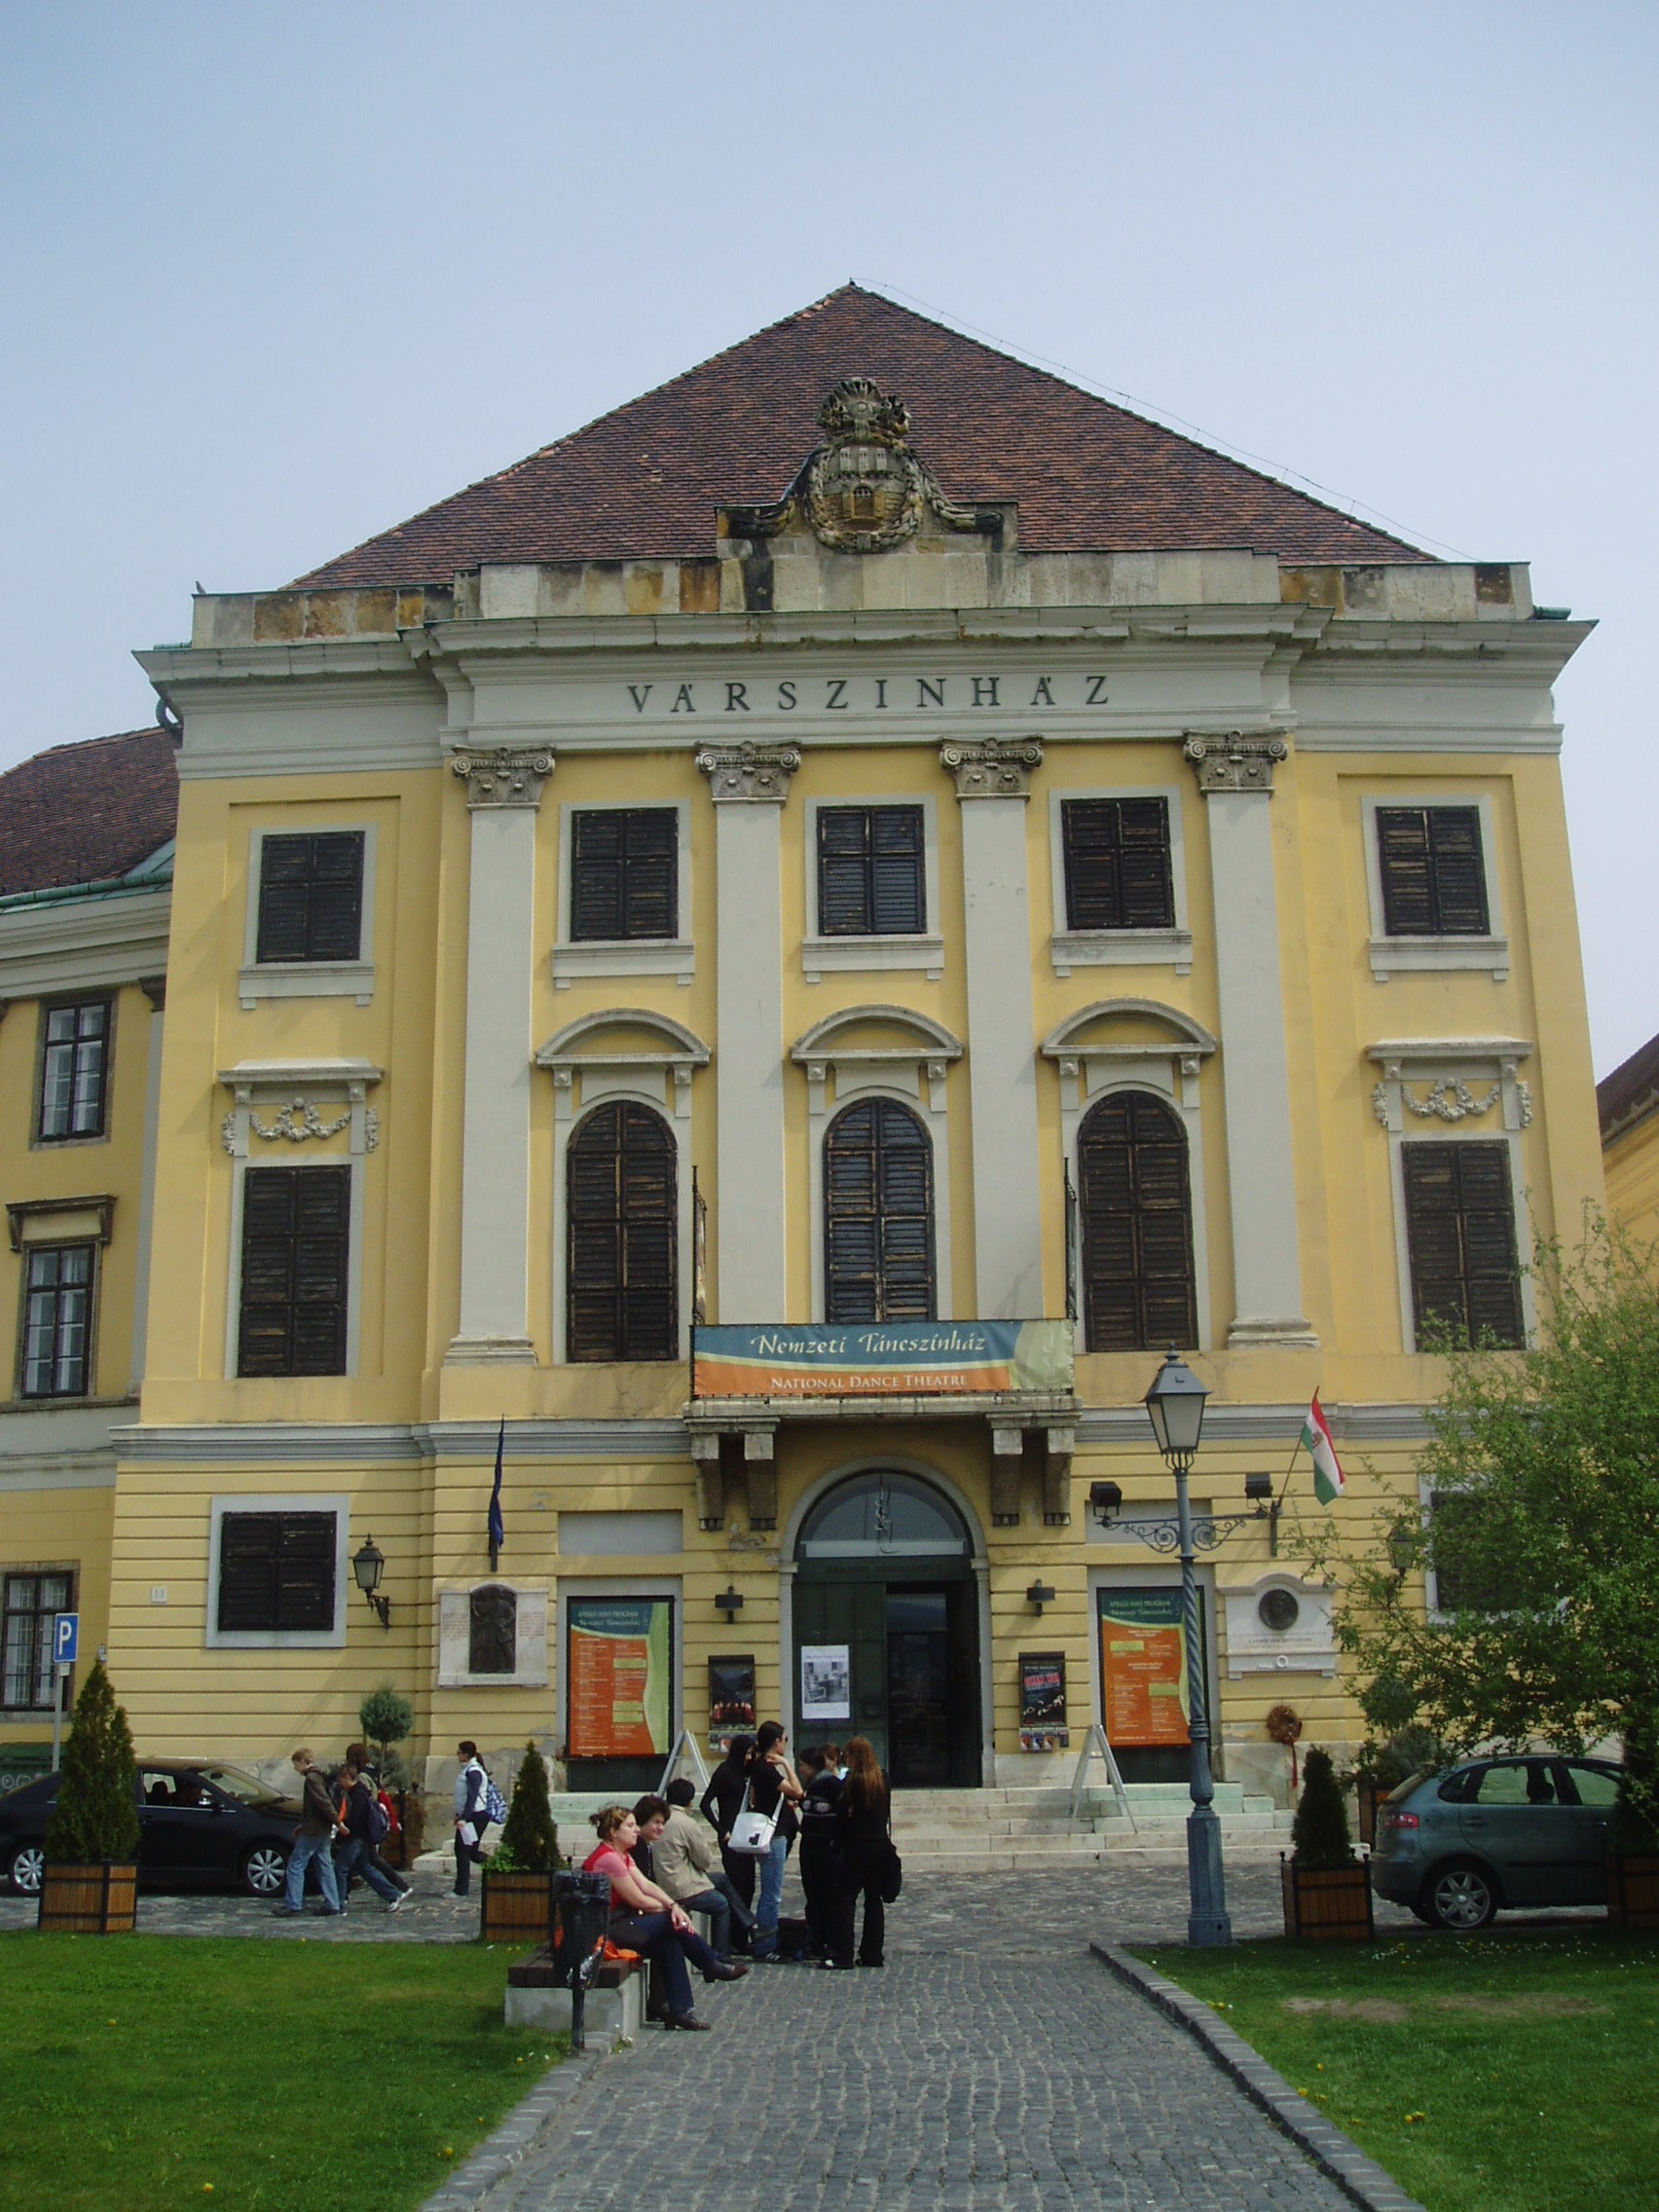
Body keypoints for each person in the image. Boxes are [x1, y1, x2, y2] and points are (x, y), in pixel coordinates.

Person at [583, 1805, 748, 2031]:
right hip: (604, 1929)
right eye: (630, 1826)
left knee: (669, 1942)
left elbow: (647, 1886)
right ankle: (711, 1965)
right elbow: (638, 1900)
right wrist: (672, 1912)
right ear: (613, 1832)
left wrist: (673, 1905)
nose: (636, 1830)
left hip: (619, 1922)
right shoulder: (608, 1859)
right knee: (671, 1924)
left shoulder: (622, 1856)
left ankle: (680, 2011)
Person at [653, 1778, 753, 1959]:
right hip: (681, 1886)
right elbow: (704, 1860)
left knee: (722, 1879)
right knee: (721, 1905)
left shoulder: (659, 1819)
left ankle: (749, 1923)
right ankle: (720, 1954)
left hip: (668, 1878)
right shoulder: (686, 1823)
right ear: (690, 1802)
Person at [744, 1720, 804, 1962]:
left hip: (771, 1832)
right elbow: (798, 1791)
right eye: (784, 1739)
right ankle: (765, 1946)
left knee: (770, 1891)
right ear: (776, 1741)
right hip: (773, 1835)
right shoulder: (766, 1768)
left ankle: (765, 1942)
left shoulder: (760, 1766)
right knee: (772, 1893)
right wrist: (787, 1764)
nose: (786, 1743)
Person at [830, 1735, 892, 1969]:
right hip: (880, 1845)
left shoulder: (854, 1782)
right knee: (873, 1900)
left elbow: (842, 1817)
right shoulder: (883, 1778)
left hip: (857, 1847)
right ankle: (872, 1953)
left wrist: (837, 1843)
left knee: (845, 1899)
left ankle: (843, 1954)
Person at [333, 1755, 408, 1913]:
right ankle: (393, 1894)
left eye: (341, 1780)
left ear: (347, 1778)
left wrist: (343, 1834)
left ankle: (339, 1904)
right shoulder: (359, 1792)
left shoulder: (358, 1795)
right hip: (362, 1837)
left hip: (356, 1837)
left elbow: (356, 1819)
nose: (340, 1783)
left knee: (341, 1868)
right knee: (365, 1868)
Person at [276, 1748, 342, 1918]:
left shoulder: (311, 1779)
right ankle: (333, 1903)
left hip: (313, 1830)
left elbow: (323, 1802)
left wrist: (338, 1822)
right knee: (325, 1865)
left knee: (296, 1865)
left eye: (296, 1764)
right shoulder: (320, 1776)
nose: (295, 1768)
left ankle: (293, 1904)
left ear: (303, 1762)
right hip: (321, 1828)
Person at [700, 1734, 757, 1922]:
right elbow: (705, 1803)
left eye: (751, 1754)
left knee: (749, 1884)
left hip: (745, 1833)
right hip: (730, 1835)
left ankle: (743, 1928)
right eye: (746, 1753)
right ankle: (735, 1930)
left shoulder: (746, 1773)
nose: (748, 1757)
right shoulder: (725, 1772)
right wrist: (721, 1830)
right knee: (737, 1884)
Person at [344, 1739, 409, 1898]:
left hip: (365, 1824)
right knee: (365, 1862)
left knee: (354, 1864)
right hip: (371, 1822)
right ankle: (399, 1889)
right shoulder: (372, 1773)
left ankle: (398, 1889)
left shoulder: (361, 1777)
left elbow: (364, 1800)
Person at [796, 1746, 844, 1962]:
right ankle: (815, 1940)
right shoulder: (812, 1784)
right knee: (813, 1894)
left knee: (828, 1894)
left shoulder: (832, 1784)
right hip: (810, 1845)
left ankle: (829, 1940)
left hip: (826, 1846)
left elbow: (843, 1812)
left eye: (803, 1765)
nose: (800, 1769)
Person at [452, 1740, 491, 1898]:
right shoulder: (468, 1769)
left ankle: (461, 1890)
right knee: (472, 1852)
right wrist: (459, 1815)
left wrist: (464, 1818)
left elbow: (472, 1797)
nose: (457, 1755)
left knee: (462, 1850)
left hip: (474, 1817)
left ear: (466, 1755)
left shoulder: (473, 1771)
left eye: (459, 1752)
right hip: (471, 1816)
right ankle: (495, 1864)